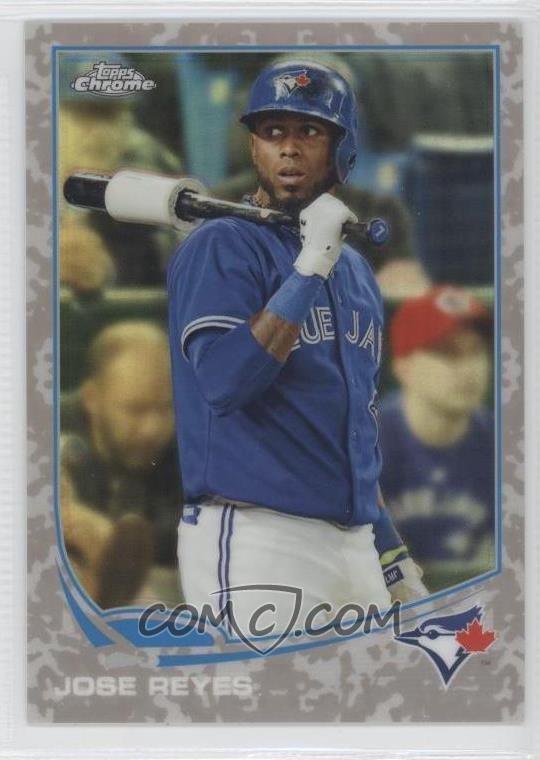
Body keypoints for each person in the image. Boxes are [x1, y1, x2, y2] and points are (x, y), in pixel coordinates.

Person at [167, 60, 427, 636]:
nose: (289, 148)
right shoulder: (222, 245)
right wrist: (310, 268)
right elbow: (224, 383)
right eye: (273, 131)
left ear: (342, 148)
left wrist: (390, 554)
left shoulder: (355, 272)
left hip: (355, 543)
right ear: (253, 147)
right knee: (274, 696)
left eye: (309, 131)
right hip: (257, 536)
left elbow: (352, 431)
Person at [379, 287, 495, 592]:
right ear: (404, 366)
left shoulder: (505, 447)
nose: (468, 369)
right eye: (446, 352)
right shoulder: (367, 445)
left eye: (476, 351)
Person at [61, 321, 183, 608]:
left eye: (166, 407)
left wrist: (109, 540)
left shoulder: (193, 443)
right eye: (136, 410)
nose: (152, 428)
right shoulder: (38, 432)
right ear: (92, 399)